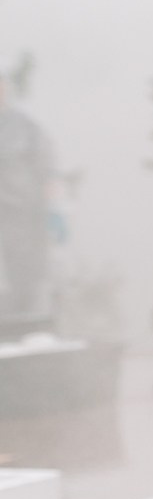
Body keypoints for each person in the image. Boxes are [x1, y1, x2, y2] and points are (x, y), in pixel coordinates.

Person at [0, 76, 54, 329]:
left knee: (20, 263)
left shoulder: (25, 127)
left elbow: (44, 166)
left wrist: (49, 203)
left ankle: (21, 317)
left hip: (17, 208)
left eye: (3, 88)